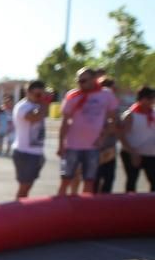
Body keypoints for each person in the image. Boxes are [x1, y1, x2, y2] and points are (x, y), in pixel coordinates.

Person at [57, 67, 120, 195]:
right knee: (66, 179)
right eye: (78, 81)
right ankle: (60, 208)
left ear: (93, 80)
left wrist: (103, 138)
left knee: (89, 181)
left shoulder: (106, 94)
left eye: (84, 80)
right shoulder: (72, 95)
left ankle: (85, 211)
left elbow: (113, 119)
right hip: (72, 145)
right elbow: (64, 122)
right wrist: (60, 144)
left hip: (93, 146)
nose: (80, 83)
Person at [11, 80, 49, 198]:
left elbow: (43, 114)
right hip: (25, 153)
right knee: (24, 186)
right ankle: (17, 211)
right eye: (38, 95)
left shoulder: (38, 105)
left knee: (28, 186)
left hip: (36, 152)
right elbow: (35, 117)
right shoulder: (22, 107)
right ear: (28, 92)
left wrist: (43, 102)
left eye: (42, 94)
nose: (40, 98)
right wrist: (45, 102)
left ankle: (21, 210)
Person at [119, 86, 155, 192]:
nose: (152, 101)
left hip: (150, 154)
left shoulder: (152, 114)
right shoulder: (130, 115)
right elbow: (122, 136)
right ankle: (129, 206)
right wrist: (132, 152)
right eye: (150, 98)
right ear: (142, 98)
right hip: (132, 154)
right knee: (132, 180)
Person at [94, 77, 120, 194]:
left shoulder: (114, 107)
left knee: (108, 180)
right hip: (95, 148)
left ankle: (104, 208)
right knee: (94, 179)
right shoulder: (95, 105)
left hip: (110, 148)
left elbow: (117, 127)